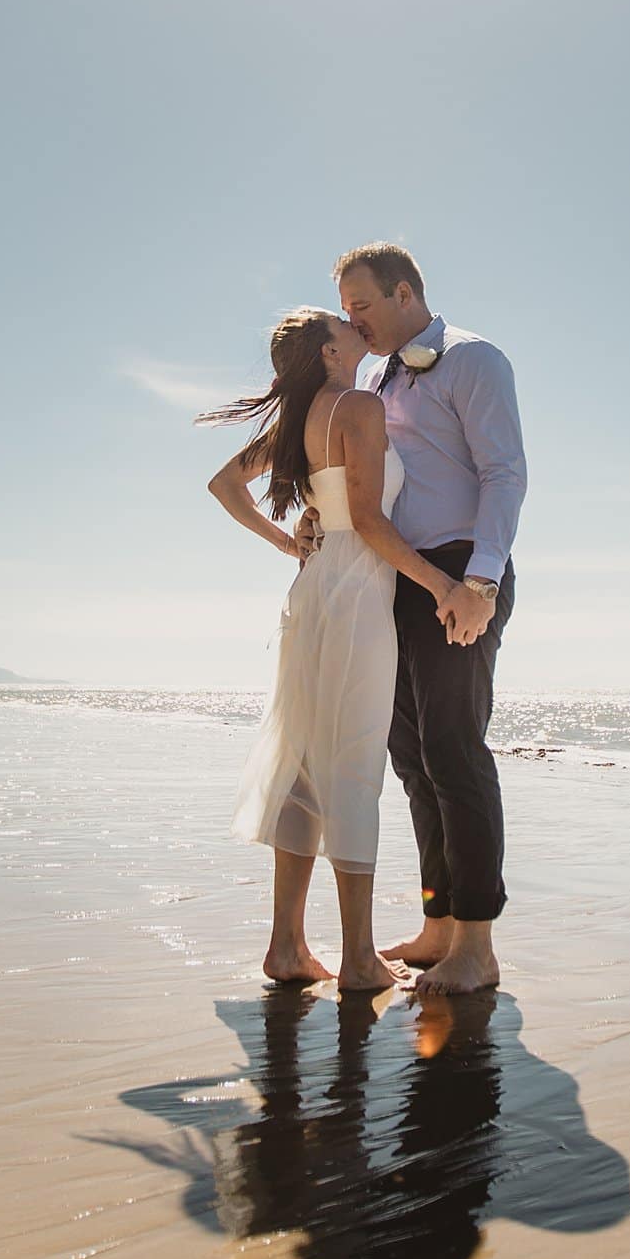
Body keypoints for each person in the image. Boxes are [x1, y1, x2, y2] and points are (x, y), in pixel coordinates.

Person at [203, 308, 469, 992]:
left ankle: (286, 948)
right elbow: (372, 521)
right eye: (343, 325)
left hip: (316, 592)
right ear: (329, 351)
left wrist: (291, 545)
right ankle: (357, 960)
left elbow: (224, 485)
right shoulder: (354, 405)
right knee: (351, 767)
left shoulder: (299, 419)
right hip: (354, 598)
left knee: (305, 765)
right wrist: (443, 582)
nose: (357, 326)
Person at [331, 243, 526, 995]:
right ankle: (439, 923)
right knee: (411, 756)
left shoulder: (476, 360)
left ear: (405, 291)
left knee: (454, 749)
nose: (355, 322)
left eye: (363, 306)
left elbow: (504, 472)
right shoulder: (377, 376)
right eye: (346, 311)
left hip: (461, 571)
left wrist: (478, 580)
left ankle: (477, 947)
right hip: (400, 580)